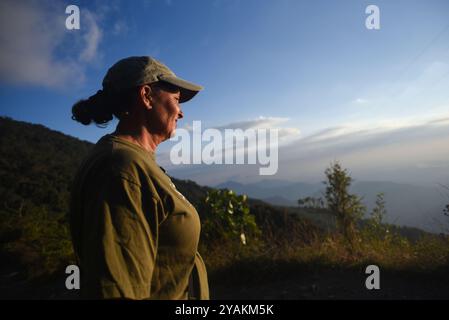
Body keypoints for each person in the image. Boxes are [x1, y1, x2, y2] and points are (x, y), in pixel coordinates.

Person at [69, 56, 209, 300]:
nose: (181, 112)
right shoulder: (122, 169)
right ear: (146, 96)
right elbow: (117, 290)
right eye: (176, 99)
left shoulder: (133, 162)